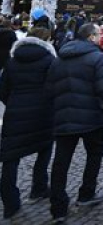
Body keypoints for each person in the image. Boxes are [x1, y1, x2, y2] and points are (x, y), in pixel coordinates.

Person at [46, 23, 103, 223]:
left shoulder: (59, 57)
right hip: (90, 118)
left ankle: (58, 207)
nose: (101, 37)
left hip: (63, 117)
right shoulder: (98, 58)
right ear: (91, 37)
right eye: (98, 34)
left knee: (61, 162)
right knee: (94, 156)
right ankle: (86, 193)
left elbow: (49, 88)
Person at [0, 27, 55, 219]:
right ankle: (39, 186)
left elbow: (3, 90)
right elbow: (53, 87)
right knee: (45, 148)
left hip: (15, 113)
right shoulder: (49, 60)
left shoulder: (12, 62)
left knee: (10, 157)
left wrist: (14, 103)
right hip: (43, 112)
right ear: (46, 40)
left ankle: (10, 202)